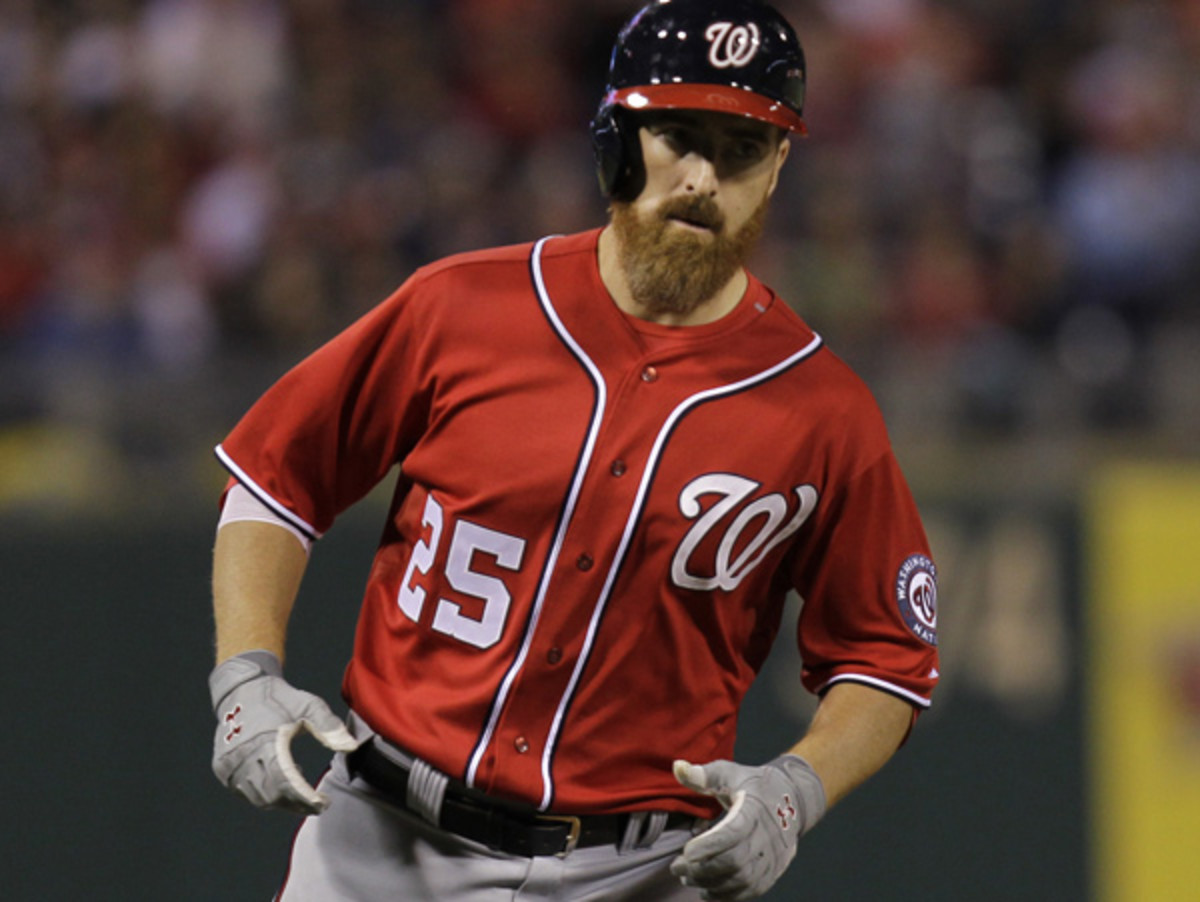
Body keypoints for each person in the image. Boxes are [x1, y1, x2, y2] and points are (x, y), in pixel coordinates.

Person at [207, 1, 940, 899]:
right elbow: (274, 479)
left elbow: (886, 658)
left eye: (742, 148)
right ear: (618, 139)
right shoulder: (461, 308)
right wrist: (245, 672)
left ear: (779, 167)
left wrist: (799, 787)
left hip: (639, 868)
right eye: (678, 134)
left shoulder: (823, 412)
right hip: (379, 842)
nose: (704, 177)